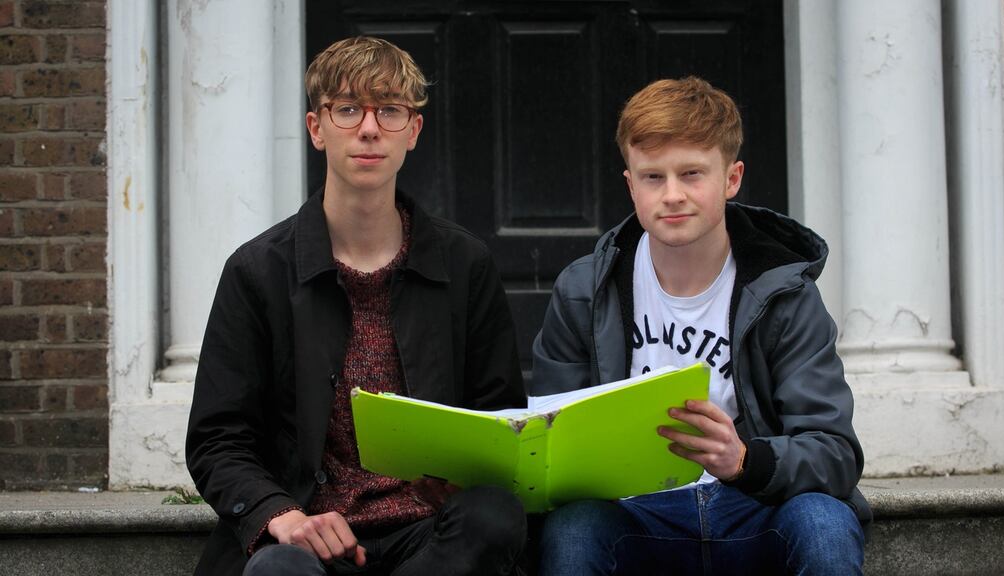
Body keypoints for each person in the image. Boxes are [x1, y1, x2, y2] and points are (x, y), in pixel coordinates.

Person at [186, 36, 527, 576]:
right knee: (278, 570)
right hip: (313, 540)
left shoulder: (464, 264)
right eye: (347, 109)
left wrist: (462, 477)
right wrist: (284, 516)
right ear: (316, 127)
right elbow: (218, 439)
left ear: (413, 131)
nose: (369, 129)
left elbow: (499, 414)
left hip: (430, 540)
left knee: (495, 517)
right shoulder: (258, 272)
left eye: (390, 111)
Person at [531, 77, 870, 575]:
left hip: (755, 507)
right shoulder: (584, 289)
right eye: (653, 177)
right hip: (636, 512)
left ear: (731, 179)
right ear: (630, 185)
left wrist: (743, 460)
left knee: (823, 521)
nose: (672, 195)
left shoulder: (786, 294)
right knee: (574, 529)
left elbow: (835, 452)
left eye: (692, 173)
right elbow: (551, 442)